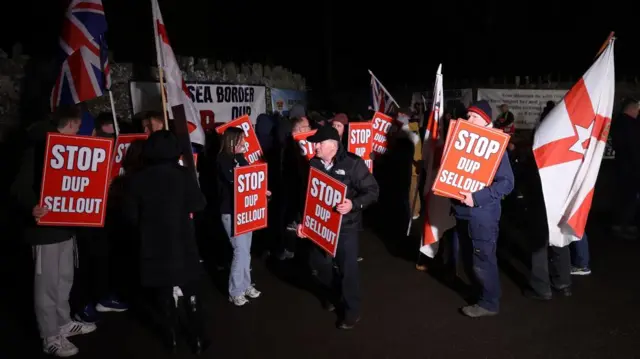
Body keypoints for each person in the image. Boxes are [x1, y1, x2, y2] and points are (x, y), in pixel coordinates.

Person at [11, 106, 97, 357]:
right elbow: (18, 187)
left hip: (65, 228)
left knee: (64, 279)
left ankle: (62, 322)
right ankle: (50, 336)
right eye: (79, 124)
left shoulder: (68, 147)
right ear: (72, 123)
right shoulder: (38, 146)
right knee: (47, 284)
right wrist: (32, 207)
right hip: (44, 230)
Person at [121, 130, 208, 354]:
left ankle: (172, 339)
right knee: (191, 292)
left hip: (152, 245)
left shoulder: (136, 179)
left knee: (163, 295)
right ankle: (197, 340)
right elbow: (199, 204)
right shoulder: (184, 174)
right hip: (182, 244)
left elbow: (130, 216)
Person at [296, 126, 379, 329]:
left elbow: (372, 190)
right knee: (319, 264)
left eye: (319, 143)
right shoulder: (313, 164)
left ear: (332, 145)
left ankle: (352, 311)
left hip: (346, 227)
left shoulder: (353, 163)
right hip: (320, 226)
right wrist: (302, 222)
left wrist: (354, 204)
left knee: (347, 270)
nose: (314, 146)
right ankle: (333, 295)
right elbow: (305, 196)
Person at [452, 100, 514, 318]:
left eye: (474, 117)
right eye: (467, 116)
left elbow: (507, 183)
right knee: (468, 259)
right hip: (462, 213)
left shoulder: (495, 146)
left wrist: (477, 198)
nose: (468, 120)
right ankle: (481, 293)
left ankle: (489, 303)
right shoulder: (461, 143)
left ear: (486, 121)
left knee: (482, 260)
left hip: (482, 215)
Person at [217, 127, 270, 306]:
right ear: (231, 141)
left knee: (245, 250)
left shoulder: (241, 158)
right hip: (231, 212)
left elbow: (250, 181)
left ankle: (245, 284)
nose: (244, 142)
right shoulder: (223, 160)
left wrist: (262, 191)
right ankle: (235, 290)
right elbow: (235, 183)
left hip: (245, 211)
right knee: (240, 251)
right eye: (241, 139)